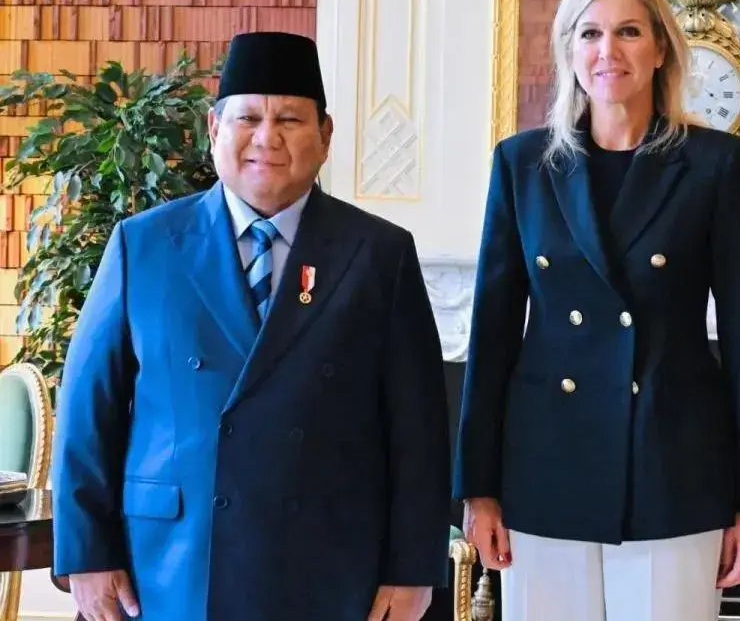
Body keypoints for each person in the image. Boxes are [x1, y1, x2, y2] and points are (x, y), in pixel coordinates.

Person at [51, 31, 450, 621]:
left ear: (326, 135)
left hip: (330, 561)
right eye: (249, 118)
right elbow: (89, 411)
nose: (268, 137)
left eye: (290, 118)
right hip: (171, 560)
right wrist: (85, 553)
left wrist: (415, 569)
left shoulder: (378, 254)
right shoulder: (145, 245)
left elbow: (419, 428)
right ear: (215, 129)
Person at [452, 0, 740, 621]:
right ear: (569, 50)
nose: (609, 51)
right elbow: (490, 338)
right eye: (590, 33)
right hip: (546, 467)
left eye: (628, 32)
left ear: (660, 47)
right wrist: (478, 489)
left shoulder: (714, 167)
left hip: (674, 467)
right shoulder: (522, 164)